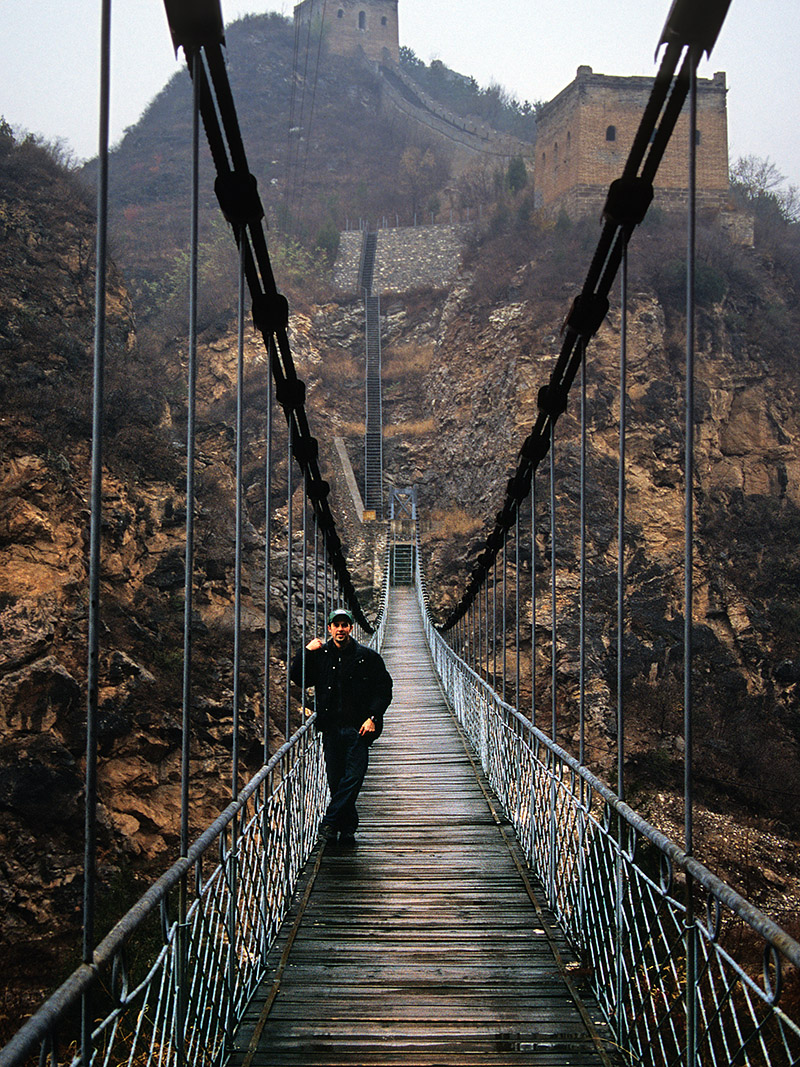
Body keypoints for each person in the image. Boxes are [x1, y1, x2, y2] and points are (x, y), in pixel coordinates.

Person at [291, 606, 392, 847]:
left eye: (344, 624)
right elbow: (298, 678)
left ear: (350, 628)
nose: (340, 629)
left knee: (354, 777)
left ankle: (329, 822)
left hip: (359, 729)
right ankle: (346, 829)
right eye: (336, 625)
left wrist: (373, 717)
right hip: (330, 729)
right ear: (329, 628)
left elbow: (384, 689)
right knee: (336, 781)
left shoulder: (367, 657)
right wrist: (306, 652)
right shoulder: (320, 655)